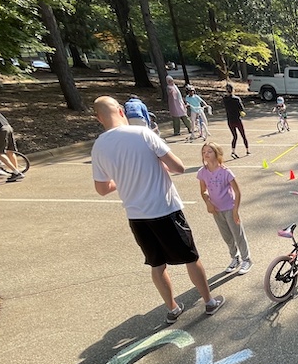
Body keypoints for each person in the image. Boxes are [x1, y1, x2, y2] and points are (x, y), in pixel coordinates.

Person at [91, 96, 224, 323]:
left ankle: (172, 308)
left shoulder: (98, 147)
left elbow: (102, 188)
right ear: (121, 111)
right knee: (191, 257)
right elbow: (179, 167)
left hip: (137, 215)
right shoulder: (143, 134)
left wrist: (123, 179)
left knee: (156, 264)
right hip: (165, 208)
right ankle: (209, 302)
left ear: (98, 118)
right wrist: (158, 165)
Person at [197, 141, 252, 275]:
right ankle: (235, 258)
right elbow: (203, 191)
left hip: (229, 208)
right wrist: (208, 202)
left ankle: (247, 259)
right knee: (226, 236)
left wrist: (235, 210)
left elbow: (237, 192)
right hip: (217, 210)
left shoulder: (226, 172)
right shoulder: (202, 172)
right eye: (204, 152)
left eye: (209, 151)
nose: (206, 154)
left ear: (217, 154)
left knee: (237, 234)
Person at [222, 84, 249, 157]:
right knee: (243, 135)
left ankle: (233, 151)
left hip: (230, 121)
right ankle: (247, 150)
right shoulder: (236, 99)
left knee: (234, 136)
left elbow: (225, 97)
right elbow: (241, 108)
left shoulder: (225, 99)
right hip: (237, 120)